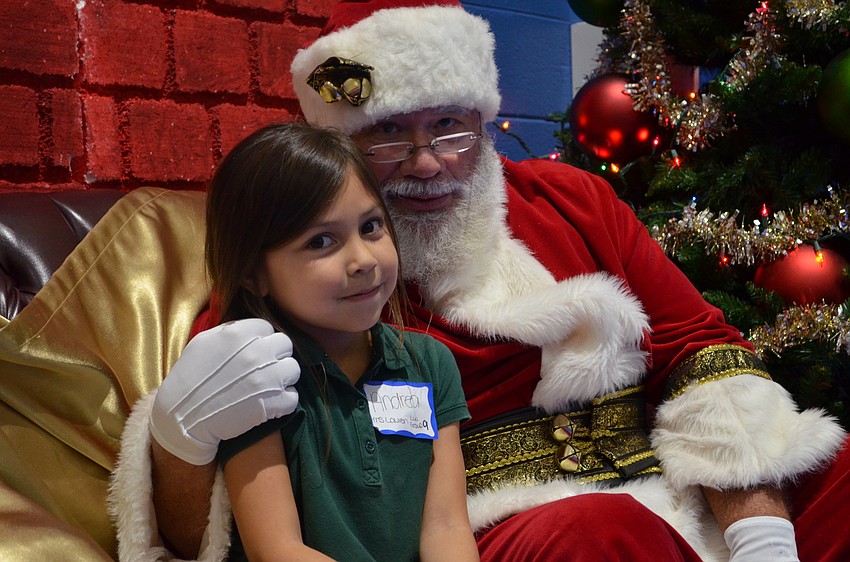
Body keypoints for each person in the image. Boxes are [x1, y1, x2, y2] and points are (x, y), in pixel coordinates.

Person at [109, 1, 850, 561]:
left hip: (664, 479)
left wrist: (760, 538)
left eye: (452, 129)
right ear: (339, 147)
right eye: (390, 133)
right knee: (596, 532)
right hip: (498, 527)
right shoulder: (303, 269)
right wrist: (177, 433)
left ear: (486, 121)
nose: (427, 164)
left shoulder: (572, 200)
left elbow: (697, 348)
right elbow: (212, 482)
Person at [205, 122, 477, 562]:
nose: (364, 260)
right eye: (322, 241)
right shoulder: (253, 379)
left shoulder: (430, 361)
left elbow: (446, 526)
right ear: (254, 273)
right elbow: (276, 549)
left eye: (371, 227)